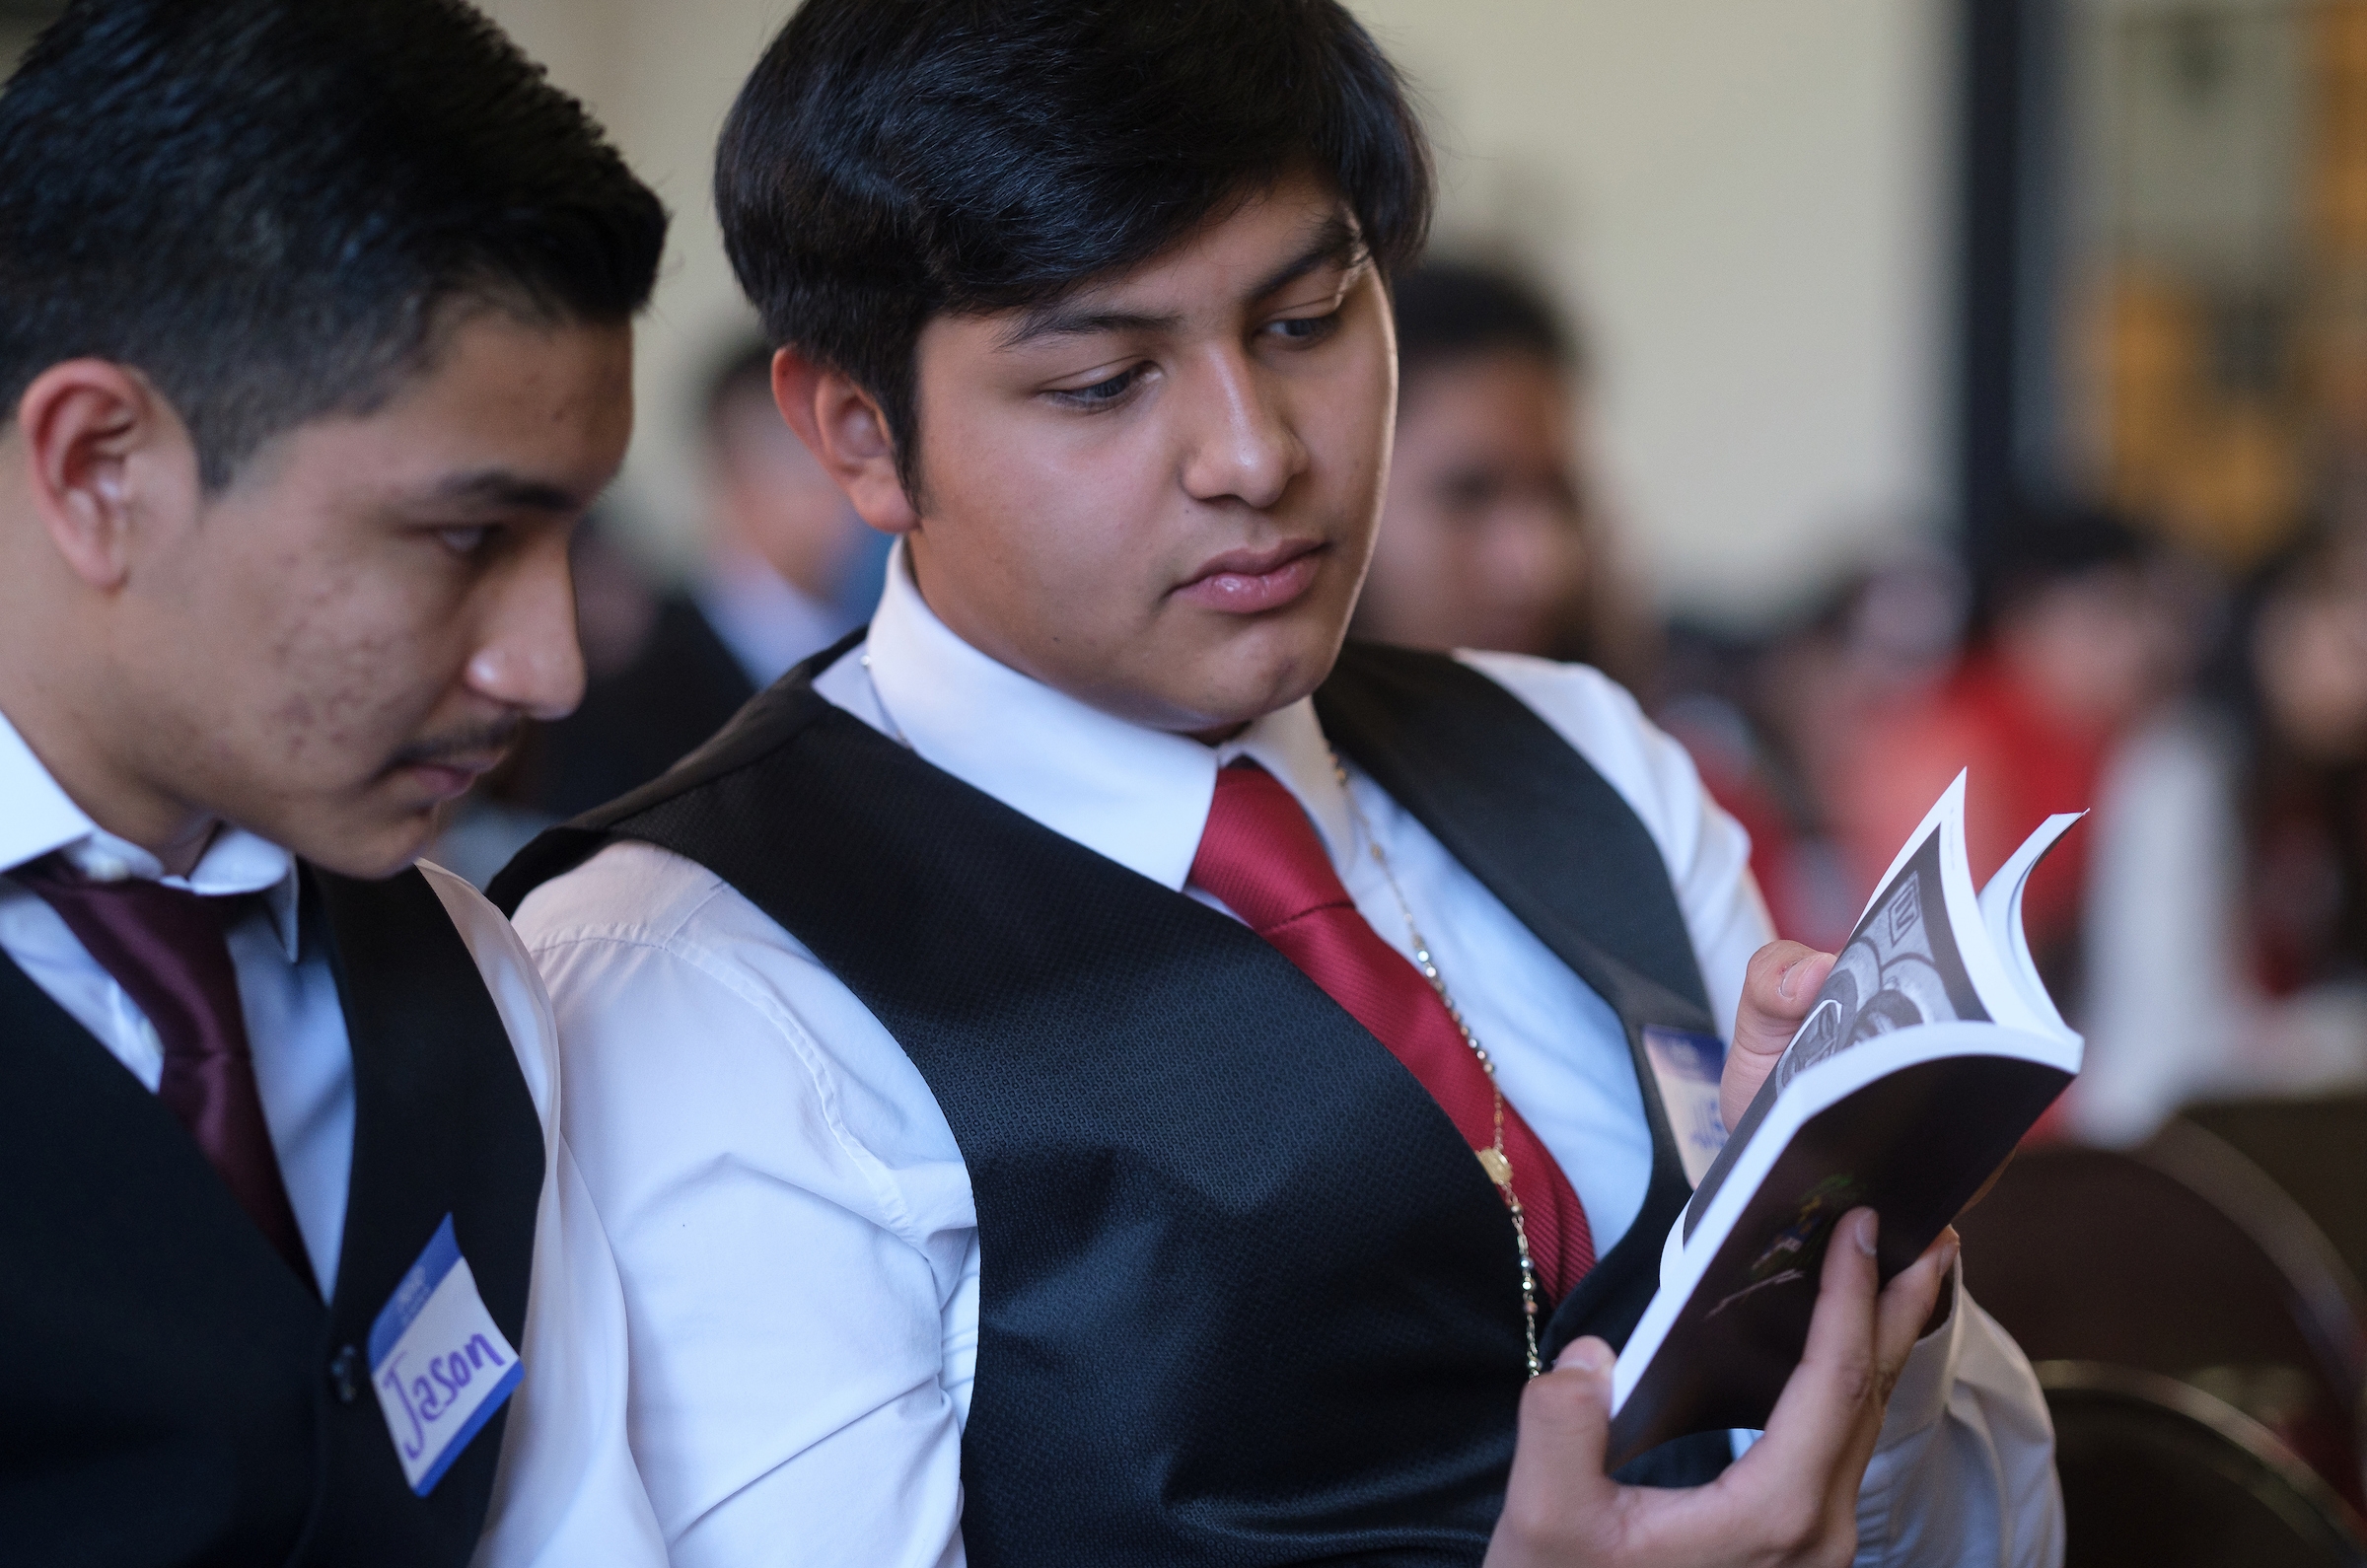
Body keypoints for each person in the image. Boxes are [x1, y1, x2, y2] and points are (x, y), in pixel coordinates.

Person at [496, 2, 2061, 1563]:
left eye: (1307, 319)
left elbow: (1992, 1533)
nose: (1253, 453)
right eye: (1104, 380)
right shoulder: (694, 972)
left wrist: (1863, 1302)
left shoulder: (1579, 760)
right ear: (858, 432)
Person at [0, 1, 668, 1562]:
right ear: (101, 467)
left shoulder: (460, 965)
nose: (549, 667)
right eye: (465, 539)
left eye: (571, 537)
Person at [525, 339, 889, 821]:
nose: (851, 489)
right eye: (814, 465)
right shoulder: (635, 703)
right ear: (736, 477)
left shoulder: (887, 639)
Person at [1356, 258, 1655, 690]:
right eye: (1469, 496)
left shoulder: (1640, 748)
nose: (1538, 569)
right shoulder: (1257, 755)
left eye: (1561, 498)